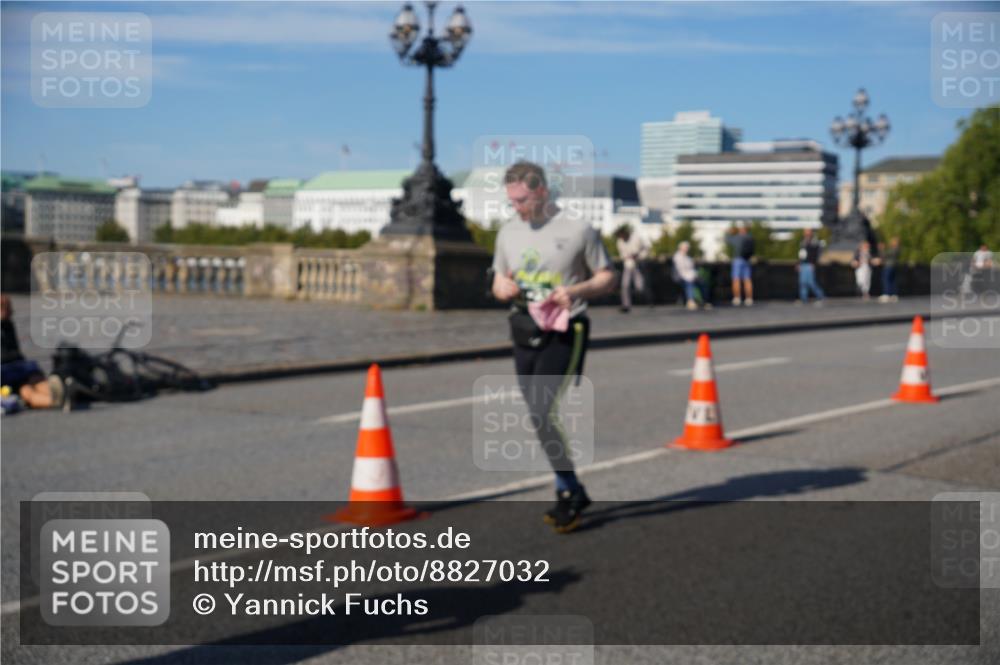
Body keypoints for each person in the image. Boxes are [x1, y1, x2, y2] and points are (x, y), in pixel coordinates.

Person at [491, 161, 616, 534]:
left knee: (542, 410)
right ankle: (572, 487)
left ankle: (568, 492)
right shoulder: (507, 232)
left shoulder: (578, 229)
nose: (516, 207)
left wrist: (575, 291)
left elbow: (608, 277)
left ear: (542, 191)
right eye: (511, 200)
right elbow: (498, 278)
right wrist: (502, 289)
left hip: (565, 330)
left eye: (523, 200)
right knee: (536, 415)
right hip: (524, 328)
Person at [1, 294, 63, 410]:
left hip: (16, 369)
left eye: (8, 308)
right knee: (26, 391)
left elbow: (15, 352)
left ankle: (59, 395)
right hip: (5, 376)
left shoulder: (7, 325)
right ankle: (56, 400)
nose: (9, 312)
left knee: (36, 380)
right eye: (4, 307)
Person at [614, 225, 651, 312]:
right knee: (625, 285)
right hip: (628, 265)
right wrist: (628, 257)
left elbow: (645, 249)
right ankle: (626, 304)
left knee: (641, 285)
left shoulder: (636, 238)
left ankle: (648, 300)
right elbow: (622, 255)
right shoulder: (619, 242)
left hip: (639, 264)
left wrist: (639, 256)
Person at [727, 222, 755, 306]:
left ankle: (737, 298)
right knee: (747, 280)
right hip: (747, 260)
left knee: (736, 279)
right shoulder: (750, 237)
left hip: (738, 259)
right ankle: (749, 299)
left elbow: (727, 239)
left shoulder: (738, 237)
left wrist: (729, 232)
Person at [797, 228, 826, 305]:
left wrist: (814, 264)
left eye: (807, 232)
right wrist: (799, 264)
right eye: (805, 232)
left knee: (811, 282)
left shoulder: (814, 241)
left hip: (810, 264)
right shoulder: (803, 241)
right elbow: (801, 254)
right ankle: (804, 299)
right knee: (802, 283)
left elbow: (816, 254)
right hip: (803, 264)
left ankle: (821, 297)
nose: (806, 233)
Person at [671, 241, 703, 310]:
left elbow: (691, 267)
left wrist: (694, 274)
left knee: (702, 283)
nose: (687, 249)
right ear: (680, 248)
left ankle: (704, 300)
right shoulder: (677, 257)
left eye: (687, 248)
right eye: (685, 247)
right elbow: (680, 269)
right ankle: (690, 301)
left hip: (690, 275)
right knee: (689, 283)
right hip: (680, 276)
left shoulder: (688, 258)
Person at [877, 236, 900, 303]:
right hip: (892, 266)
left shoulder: (894, 249)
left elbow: (885, 255)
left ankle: (886, 294)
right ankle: (893, 294)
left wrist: (881, 249)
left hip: (889, 266)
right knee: (892, 280)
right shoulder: (896, 249)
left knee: (886, 279)